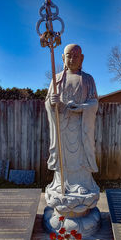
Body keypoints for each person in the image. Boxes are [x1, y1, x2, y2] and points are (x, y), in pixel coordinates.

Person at [45, 44, 99, 195]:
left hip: (81, 127)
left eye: (76, 56)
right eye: (69, 55)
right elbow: (48, 102)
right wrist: (52, 102)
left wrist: (83, 108)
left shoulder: (88, 79)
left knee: (80, 156)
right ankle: (61, 183)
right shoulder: (56, 79)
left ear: (81, 58)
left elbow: (94, 102)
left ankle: (82, 183)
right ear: (63, 58)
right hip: (62, 125)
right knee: (63, 157)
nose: (72, 59)